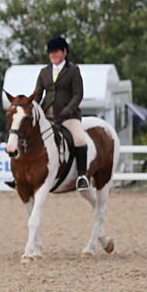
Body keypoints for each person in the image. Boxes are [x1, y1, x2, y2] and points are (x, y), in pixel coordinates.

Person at [31, 35, 89, 190]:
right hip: (46, 116)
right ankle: (21, 176)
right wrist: (31, 108)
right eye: (51, 52)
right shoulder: (44, 72)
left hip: (68, 116)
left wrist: (67, 110)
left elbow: (78, 94)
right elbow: (37, 94)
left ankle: (82, 175)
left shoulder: (73, 70)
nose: (53, 55)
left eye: (56, 52)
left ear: (64, 52)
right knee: (28, 136)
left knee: (79, 139)